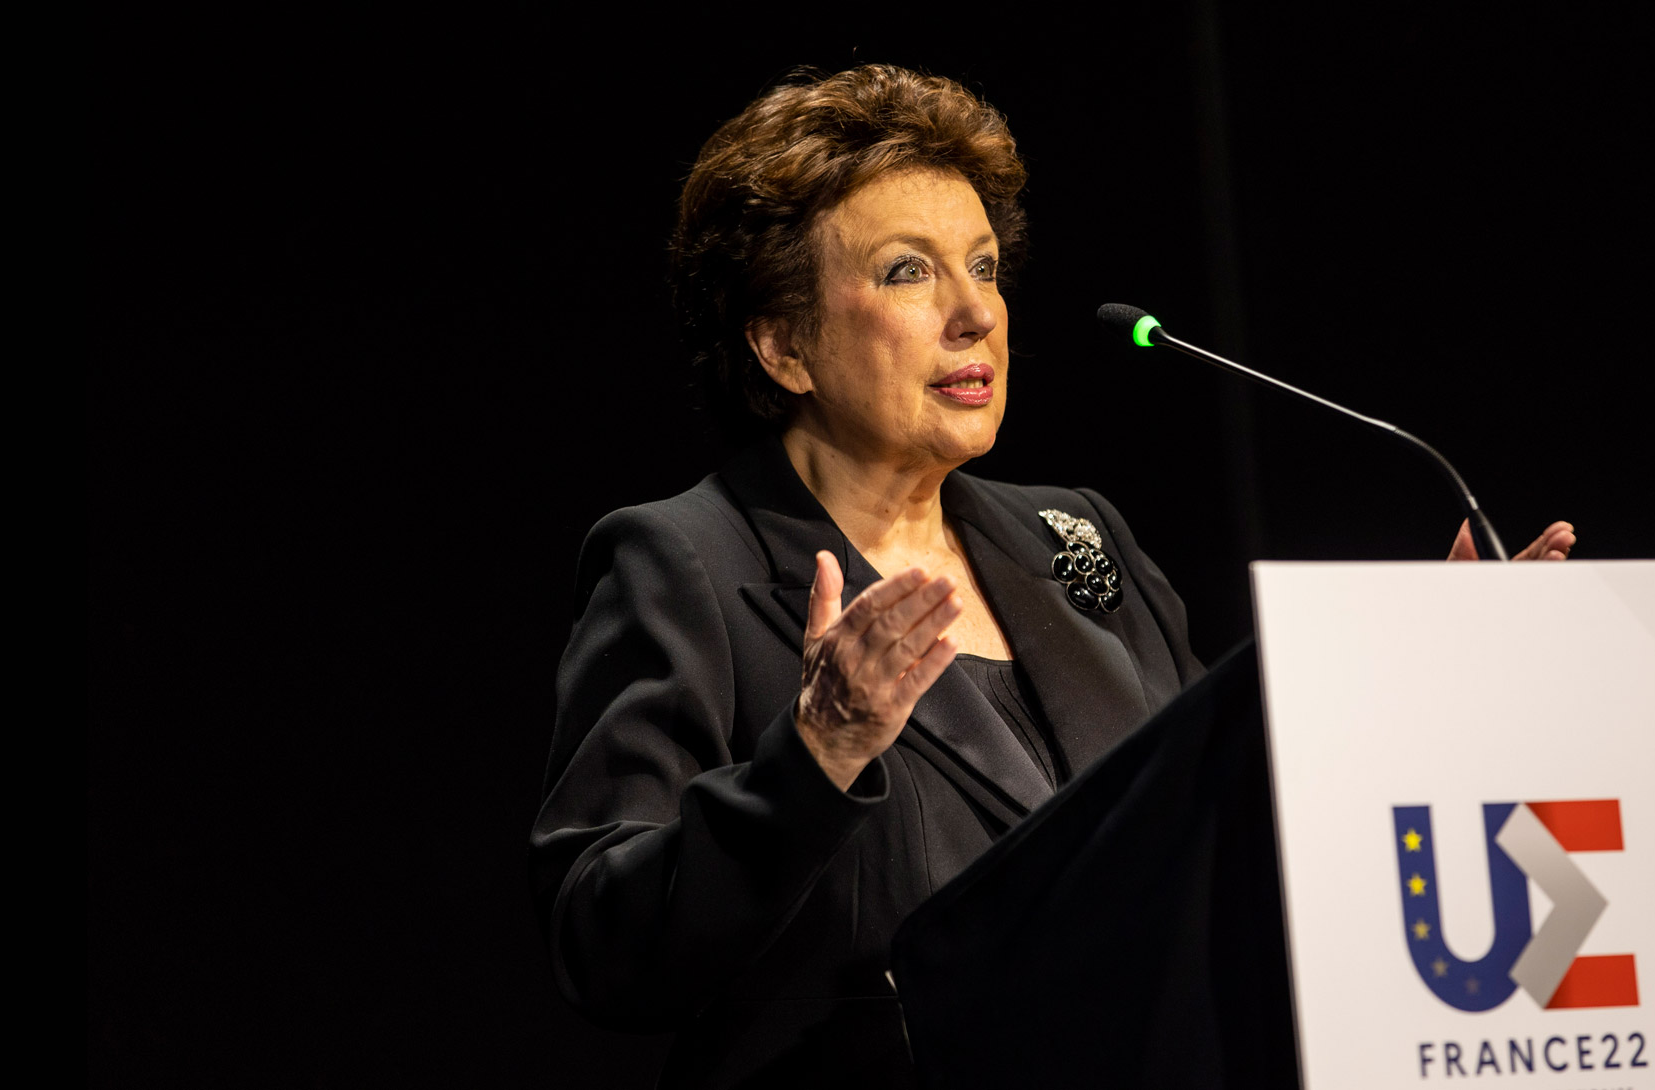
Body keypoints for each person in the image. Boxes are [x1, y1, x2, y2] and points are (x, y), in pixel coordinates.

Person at [530, 65, 1576, 1089]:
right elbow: (605, 943)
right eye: (908, 271)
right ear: (783, 343)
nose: (976, 313)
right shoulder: (687, 562)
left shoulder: (1077, 538)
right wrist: (815, 757)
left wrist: (1423, 673)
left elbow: (1223, 807)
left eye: (984, 267)